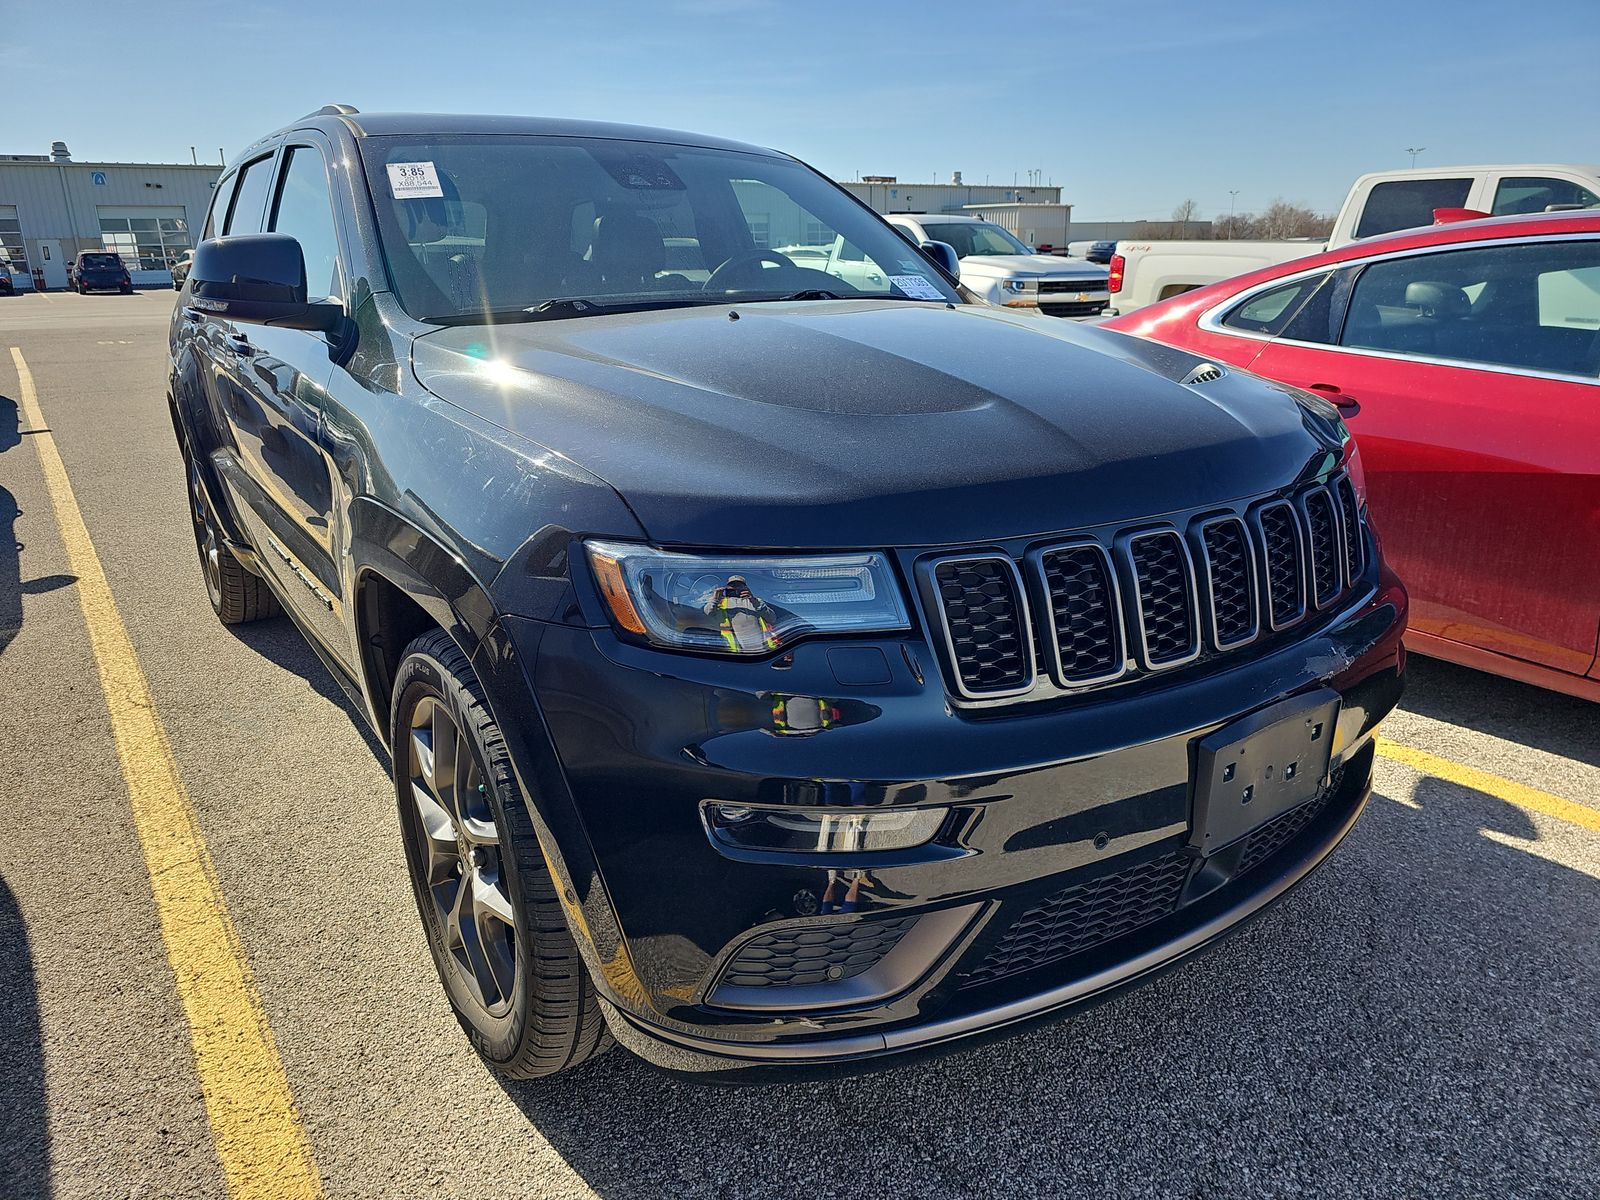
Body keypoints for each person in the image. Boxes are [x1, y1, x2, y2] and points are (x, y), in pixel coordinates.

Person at [702, 575, 779, 653]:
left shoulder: (756, 601)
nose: (735, 587)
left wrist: (753, 600)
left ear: (745, 587)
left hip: (764, 651)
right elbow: (707, 613)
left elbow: (772, 619)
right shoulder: (720, 602)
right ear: (727, 587)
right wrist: (715, 599)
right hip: (735, 653)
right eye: (732, 585)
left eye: (739, 585)